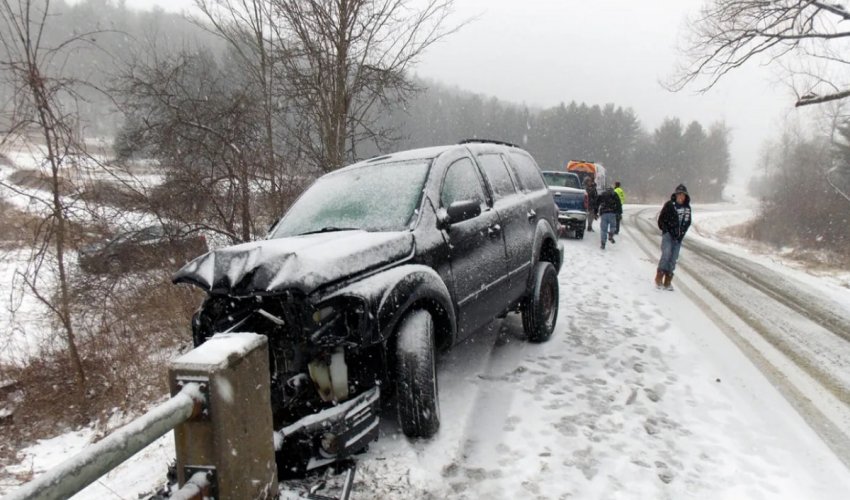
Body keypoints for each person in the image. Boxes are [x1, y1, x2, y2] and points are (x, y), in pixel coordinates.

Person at [656, 184, 692, 290]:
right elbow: (661, 219)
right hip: (668, 235)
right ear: (676, 195)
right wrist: (666, 230)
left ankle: (668, 281)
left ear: (686, 197)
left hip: (678, 238)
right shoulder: (669, 205)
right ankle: (659, 277)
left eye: (683, 195)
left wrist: (681, 234)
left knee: (673, 259)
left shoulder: (687, 208)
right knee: (666, 254)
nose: (681, 197)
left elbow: (688, 222)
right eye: (679, 194)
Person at [596, 186, 622, 250]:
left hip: (604, 213)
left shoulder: (603, 194)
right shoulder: (614, 194)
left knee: (603, 229)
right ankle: (611, 234)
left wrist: (595, 212)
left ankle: (603, 243)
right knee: (613, 226)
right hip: (612, 213)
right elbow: (619, 204)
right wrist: (619, 213)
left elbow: (597, 203)